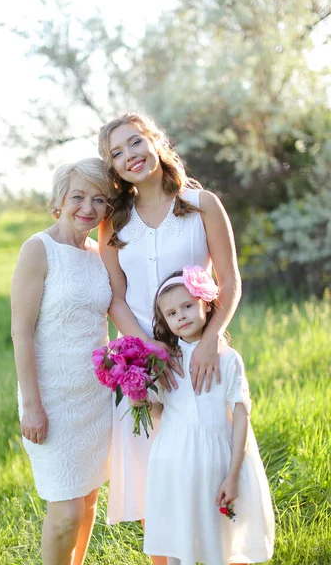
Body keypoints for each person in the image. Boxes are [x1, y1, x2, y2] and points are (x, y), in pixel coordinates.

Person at [98, 113, 242, 549]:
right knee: (154, 484)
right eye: (117, 154)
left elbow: (230, 281)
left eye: (134, 142)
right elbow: (116, 299)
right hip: (146, 369)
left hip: (200, 358)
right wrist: (148, 354)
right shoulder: (114, 225)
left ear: (155, 141)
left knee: (209, 466)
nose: (130, 157)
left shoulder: (202, 205)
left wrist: (211, 339)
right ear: (114, 170)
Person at [132, 266, 275, 565]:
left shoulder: (227, 359)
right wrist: (139, 400)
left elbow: (241, 419)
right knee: (181, 541)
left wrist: (233, 474)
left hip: (218, 463)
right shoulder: (164, 363)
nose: (180, 316)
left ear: (206, 304)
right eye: (171, 313)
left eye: (187, 306)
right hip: (176, 463)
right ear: (164, 321)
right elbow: (160, 414)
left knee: (222, 542)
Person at [11, 158, 113, 565]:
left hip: (95, 398)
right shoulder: (38, 248)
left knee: (88, 499)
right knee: (65, 512)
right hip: (52, 400)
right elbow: (21, 331)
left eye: (99, 199)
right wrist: (32, 406)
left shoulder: (99, 254)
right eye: (78, 196)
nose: (88, 207)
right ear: (59, 200)